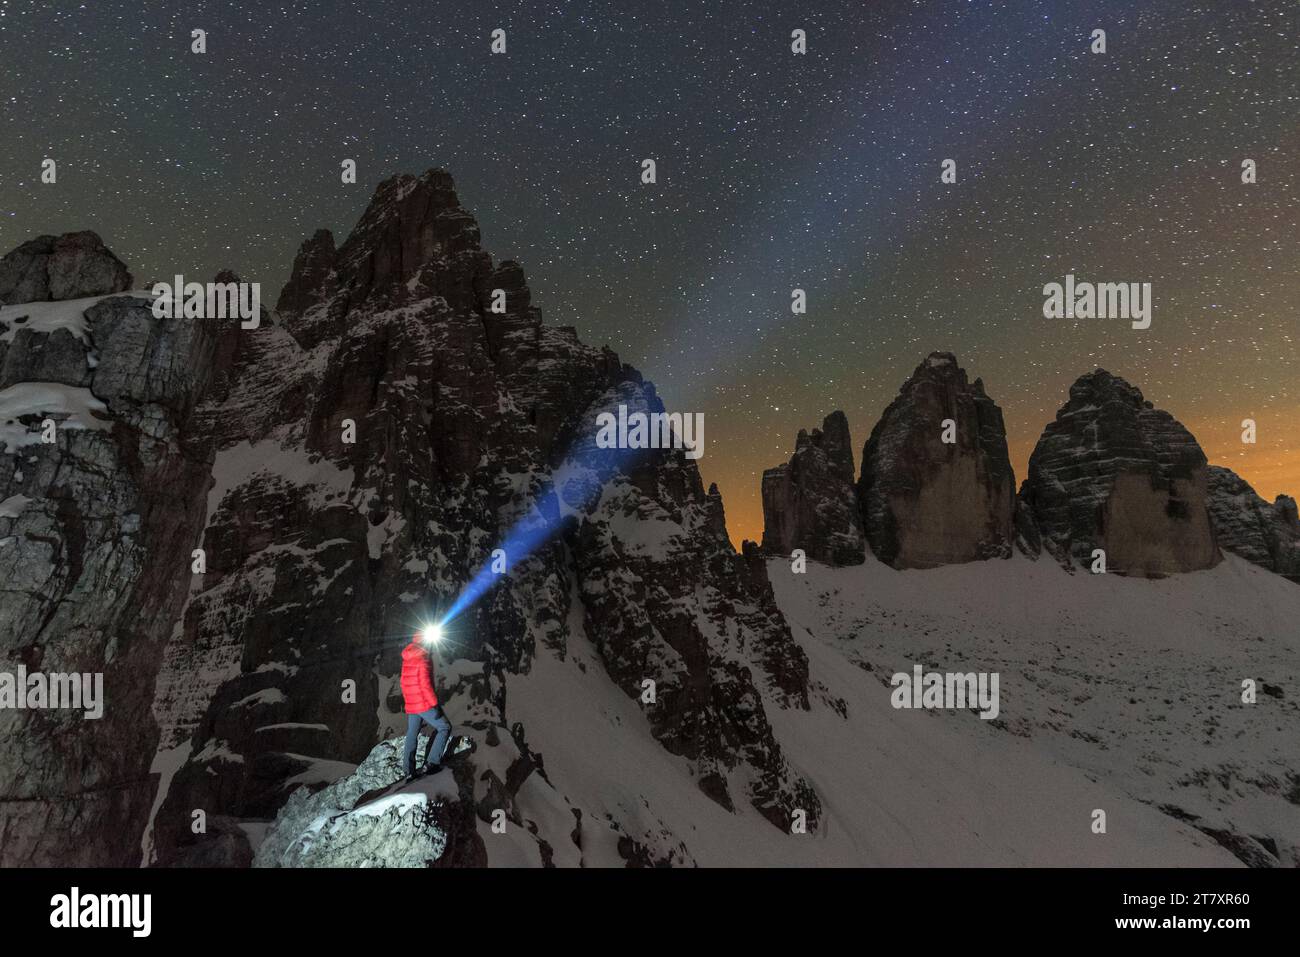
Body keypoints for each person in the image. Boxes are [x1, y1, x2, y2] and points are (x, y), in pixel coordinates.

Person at [400, 633, 452, 780]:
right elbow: (425, 685)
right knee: (444, 727)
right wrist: (435, 705)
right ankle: (431, 764)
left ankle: (408, 770)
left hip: (412, 704)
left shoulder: (407, 659)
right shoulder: (422, 659)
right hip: (423, 703)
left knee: (412, 733)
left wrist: (410, 701)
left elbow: (403, 683)